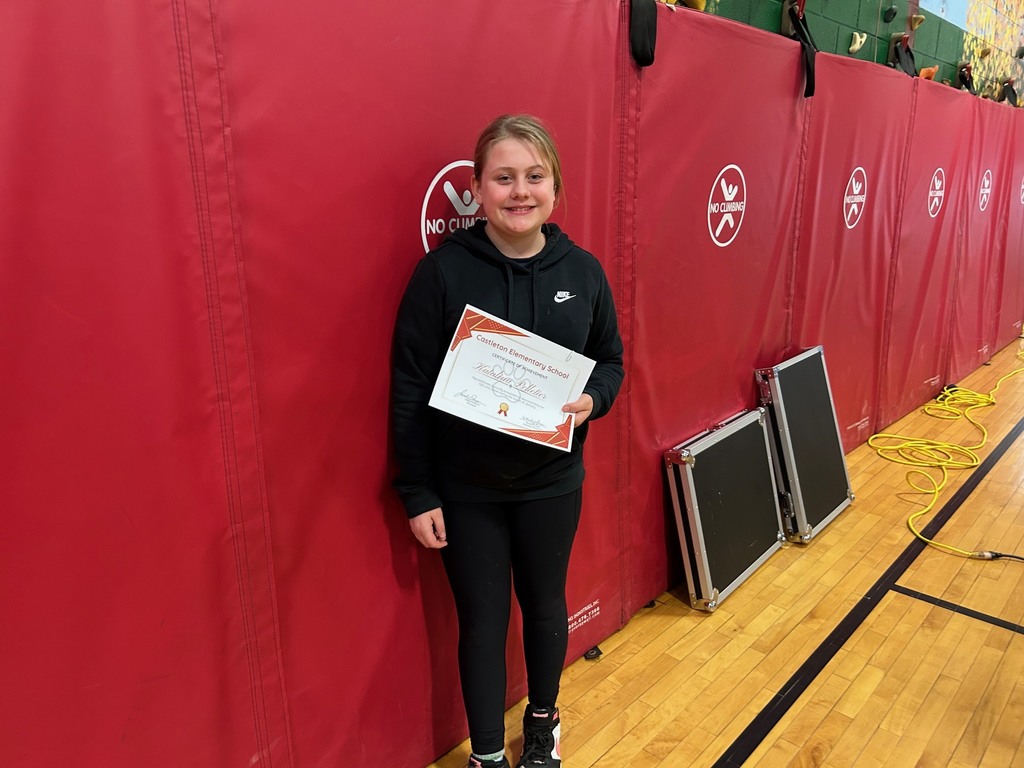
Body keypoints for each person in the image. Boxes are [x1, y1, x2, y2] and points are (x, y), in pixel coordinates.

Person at [391, 114, 624, 768]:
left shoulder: (584, 271)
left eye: (534, 176)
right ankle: (488, 755)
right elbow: (409, 385)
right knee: (483, 624)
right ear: (477, 188)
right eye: (504, 178)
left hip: (551, 483)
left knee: (546, 607)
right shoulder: (441, 274)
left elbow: (611, 360)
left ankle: (543, 726)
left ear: (554, 187)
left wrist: (592, 401)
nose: (520, 191)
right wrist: (417, 490)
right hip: (467, 491)